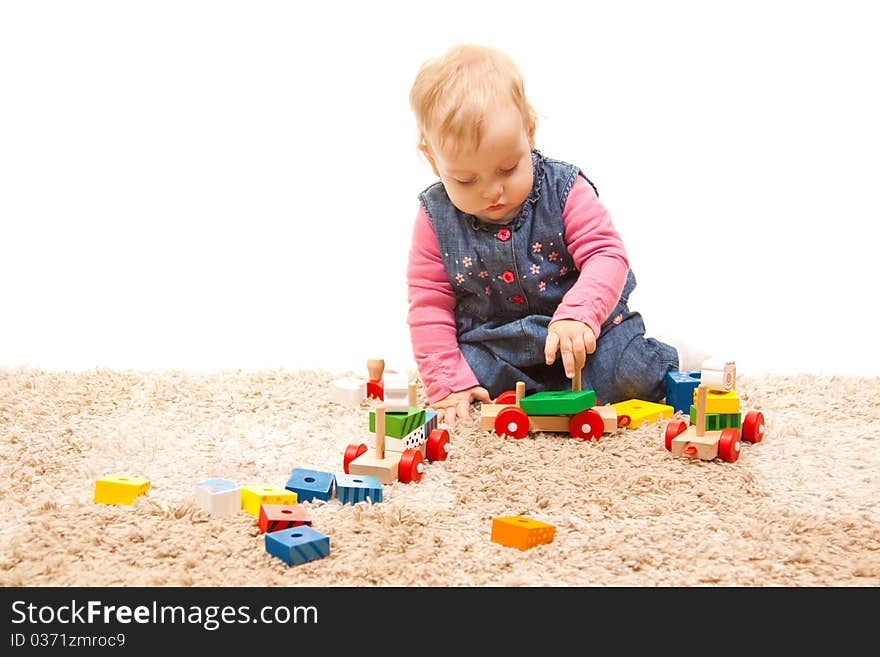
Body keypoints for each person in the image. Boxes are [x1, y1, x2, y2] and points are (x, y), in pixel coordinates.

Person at [406, 44, 708, 426]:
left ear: (529, 133)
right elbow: (429, 303)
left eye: (508, 168)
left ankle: (671, 360)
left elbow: (606, 255)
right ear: (432, 159)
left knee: (626, 372)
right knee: (468, 380)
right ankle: (504, 387)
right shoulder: (435, 217)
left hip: (584, 337)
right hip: (498, 348)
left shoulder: (563, 189)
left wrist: (580, 315)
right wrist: (448, 383)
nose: (491, 191)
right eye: (465, 179)